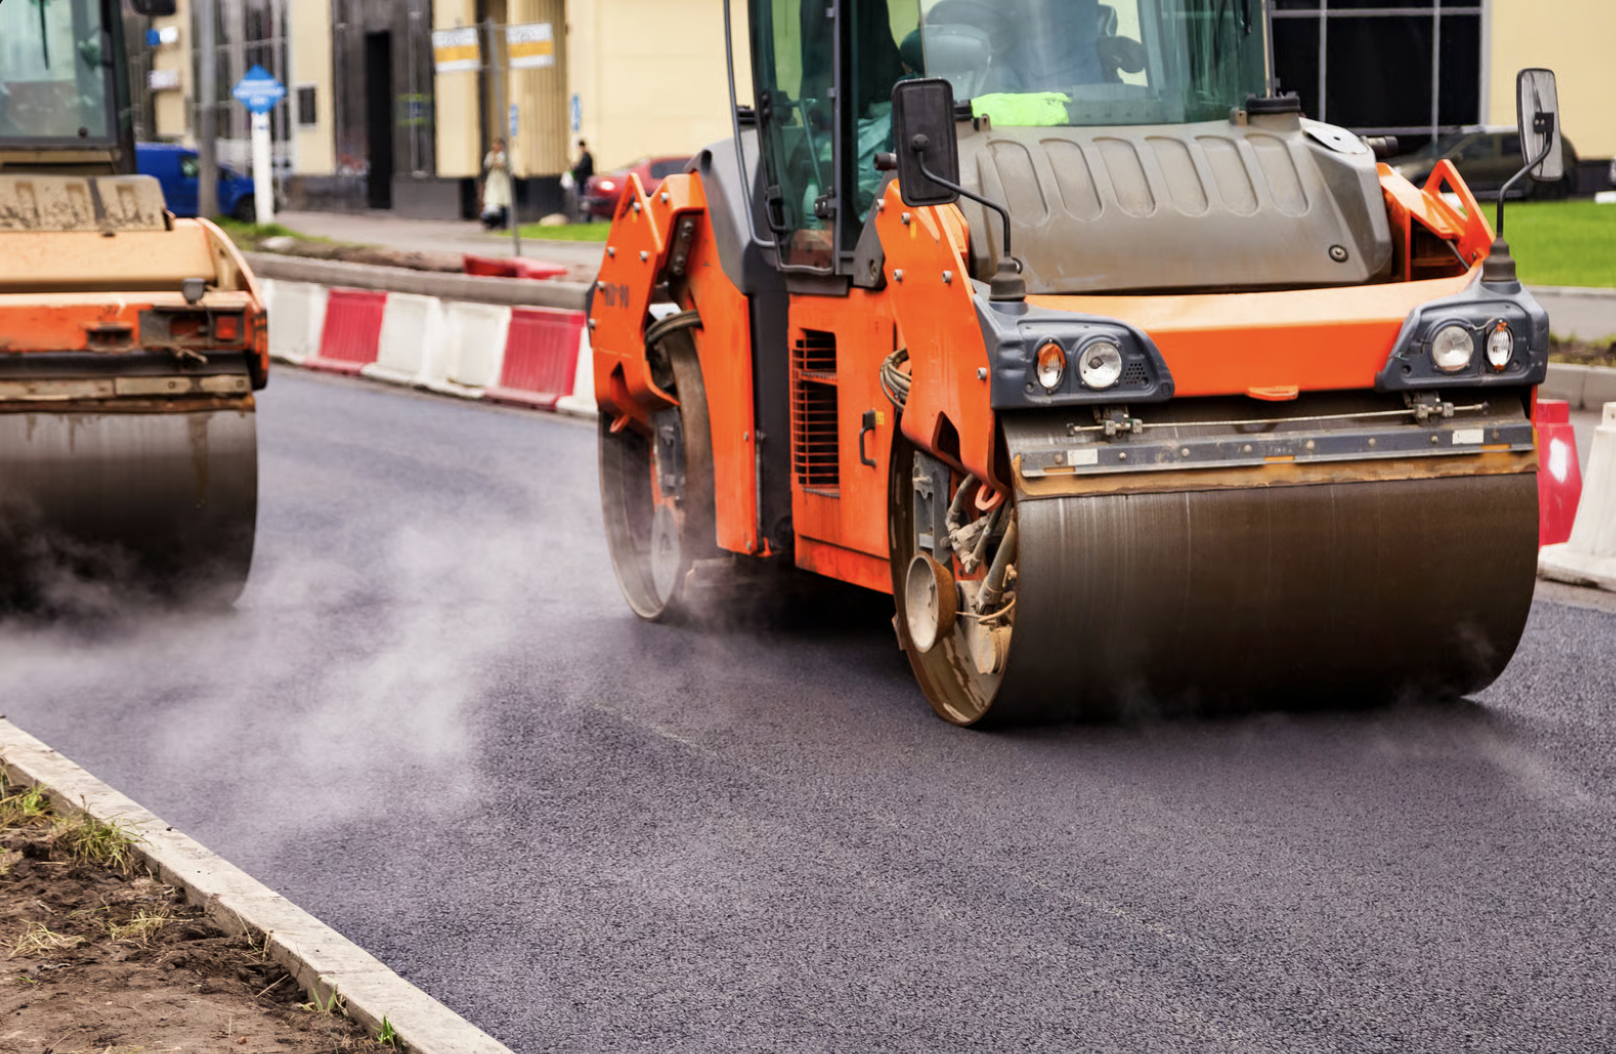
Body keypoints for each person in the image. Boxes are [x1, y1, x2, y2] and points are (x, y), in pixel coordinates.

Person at [481, 138, 511, 230]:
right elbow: (487, 165)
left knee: (503, 202)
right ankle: (491, 223)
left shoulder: (505, 155)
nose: (495, 147)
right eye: (494, 145)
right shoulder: (490, 155)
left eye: (497, 145)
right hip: (493, 181)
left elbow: (508, 166)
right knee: (491, 202)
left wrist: (500, 164)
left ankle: (503, 224)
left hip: (502, 181)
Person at [569, 139, 594, 221]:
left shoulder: (586, 156)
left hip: (584, 181)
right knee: (583, 199)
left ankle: (585, 218)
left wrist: (575, 168)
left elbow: (582, 167)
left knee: (584, 199)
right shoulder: (585, 156)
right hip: (582, 181)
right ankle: (584, 217)